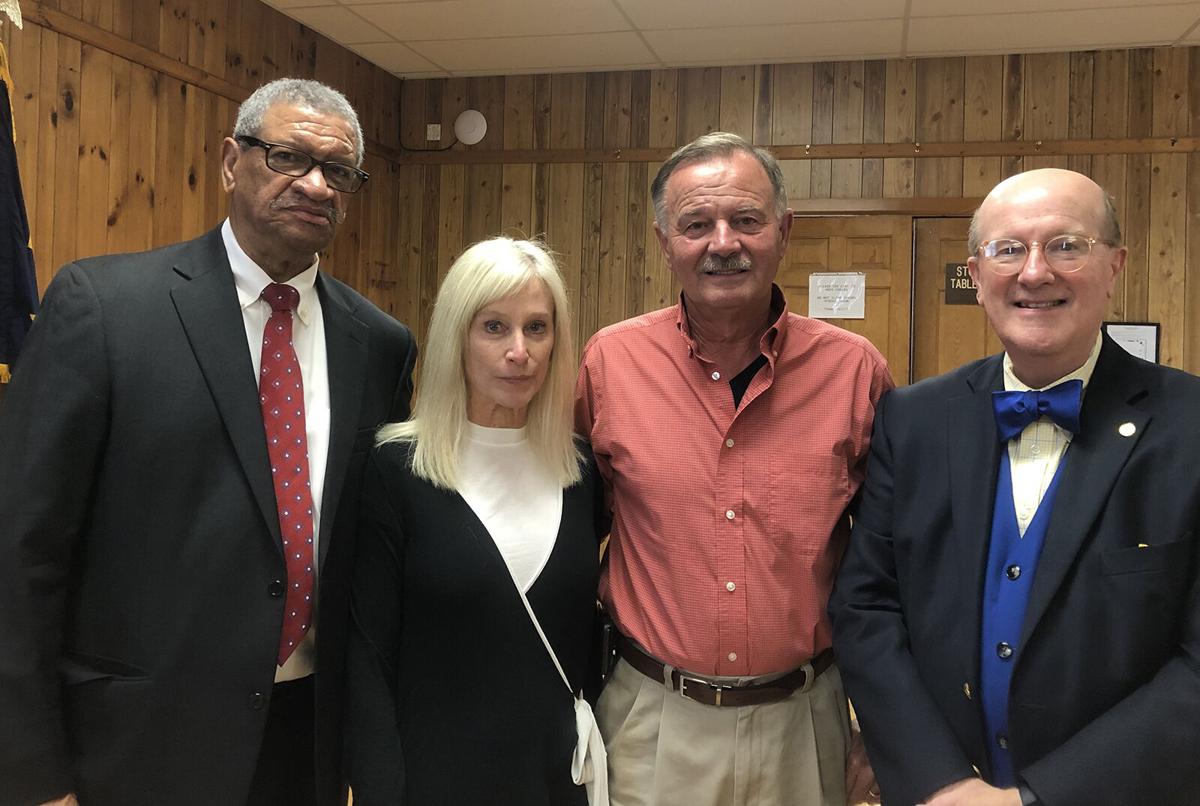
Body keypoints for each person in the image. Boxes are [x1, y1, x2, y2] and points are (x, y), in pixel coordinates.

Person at [0, 78, 416, 806]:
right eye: (288, 156)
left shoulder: (379, 345)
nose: (315, 184)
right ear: (231, 162)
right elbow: (20, 549)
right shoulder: (105, 311)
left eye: (339, 171)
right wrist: (30, 775)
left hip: (304, 743)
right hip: (134, 744)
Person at [829, 168, 1200, 806]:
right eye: (1009, 249)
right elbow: (868, 609)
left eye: (1066, 245)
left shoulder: (1190, 425)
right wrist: (936, 780)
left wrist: (1038, 798)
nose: (1034, 272)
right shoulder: (913, 420)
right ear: (976, 276)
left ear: (1116, 265)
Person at [574, 131, 892, 806]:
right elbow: (570, 537)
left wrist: (887, 725)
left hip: (805, 721)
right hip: (653, 718)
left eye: (746, 220)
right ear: (665, 242)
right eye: (696, 225)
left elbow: (891, 566)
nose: (723, 243)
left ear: (783, 231)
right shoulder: (611, 363)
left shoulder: (854, 371)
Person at [344, 237, 606, 806]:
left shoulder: (581, 471)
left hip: (558, 779)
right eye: (494, 327)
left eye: (536, 328)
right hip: (433, 779)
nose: (519, 351)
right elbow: (367, 657)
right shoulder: (397, 469)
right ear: (455, 338)